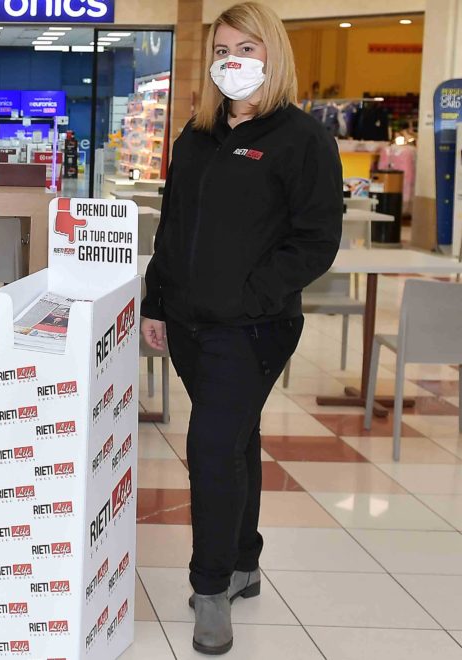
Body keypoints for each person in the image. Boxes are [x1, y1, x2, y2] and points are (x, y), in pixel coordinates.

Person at [139, 2, 341, 654]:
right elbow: (173, 227)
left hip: (256, 327)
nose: (233, 61)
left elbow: (316, 241)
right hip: (189, 325)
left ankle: (211, 588)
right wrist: (156, 300)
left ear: (272, 54)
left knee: (208, 447)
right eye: (223, 50)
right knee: (233, 440)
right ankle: (245, 562)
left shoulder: (301, 139)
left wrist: (250, 294)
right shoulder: (195, 136)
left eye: (246, 48)